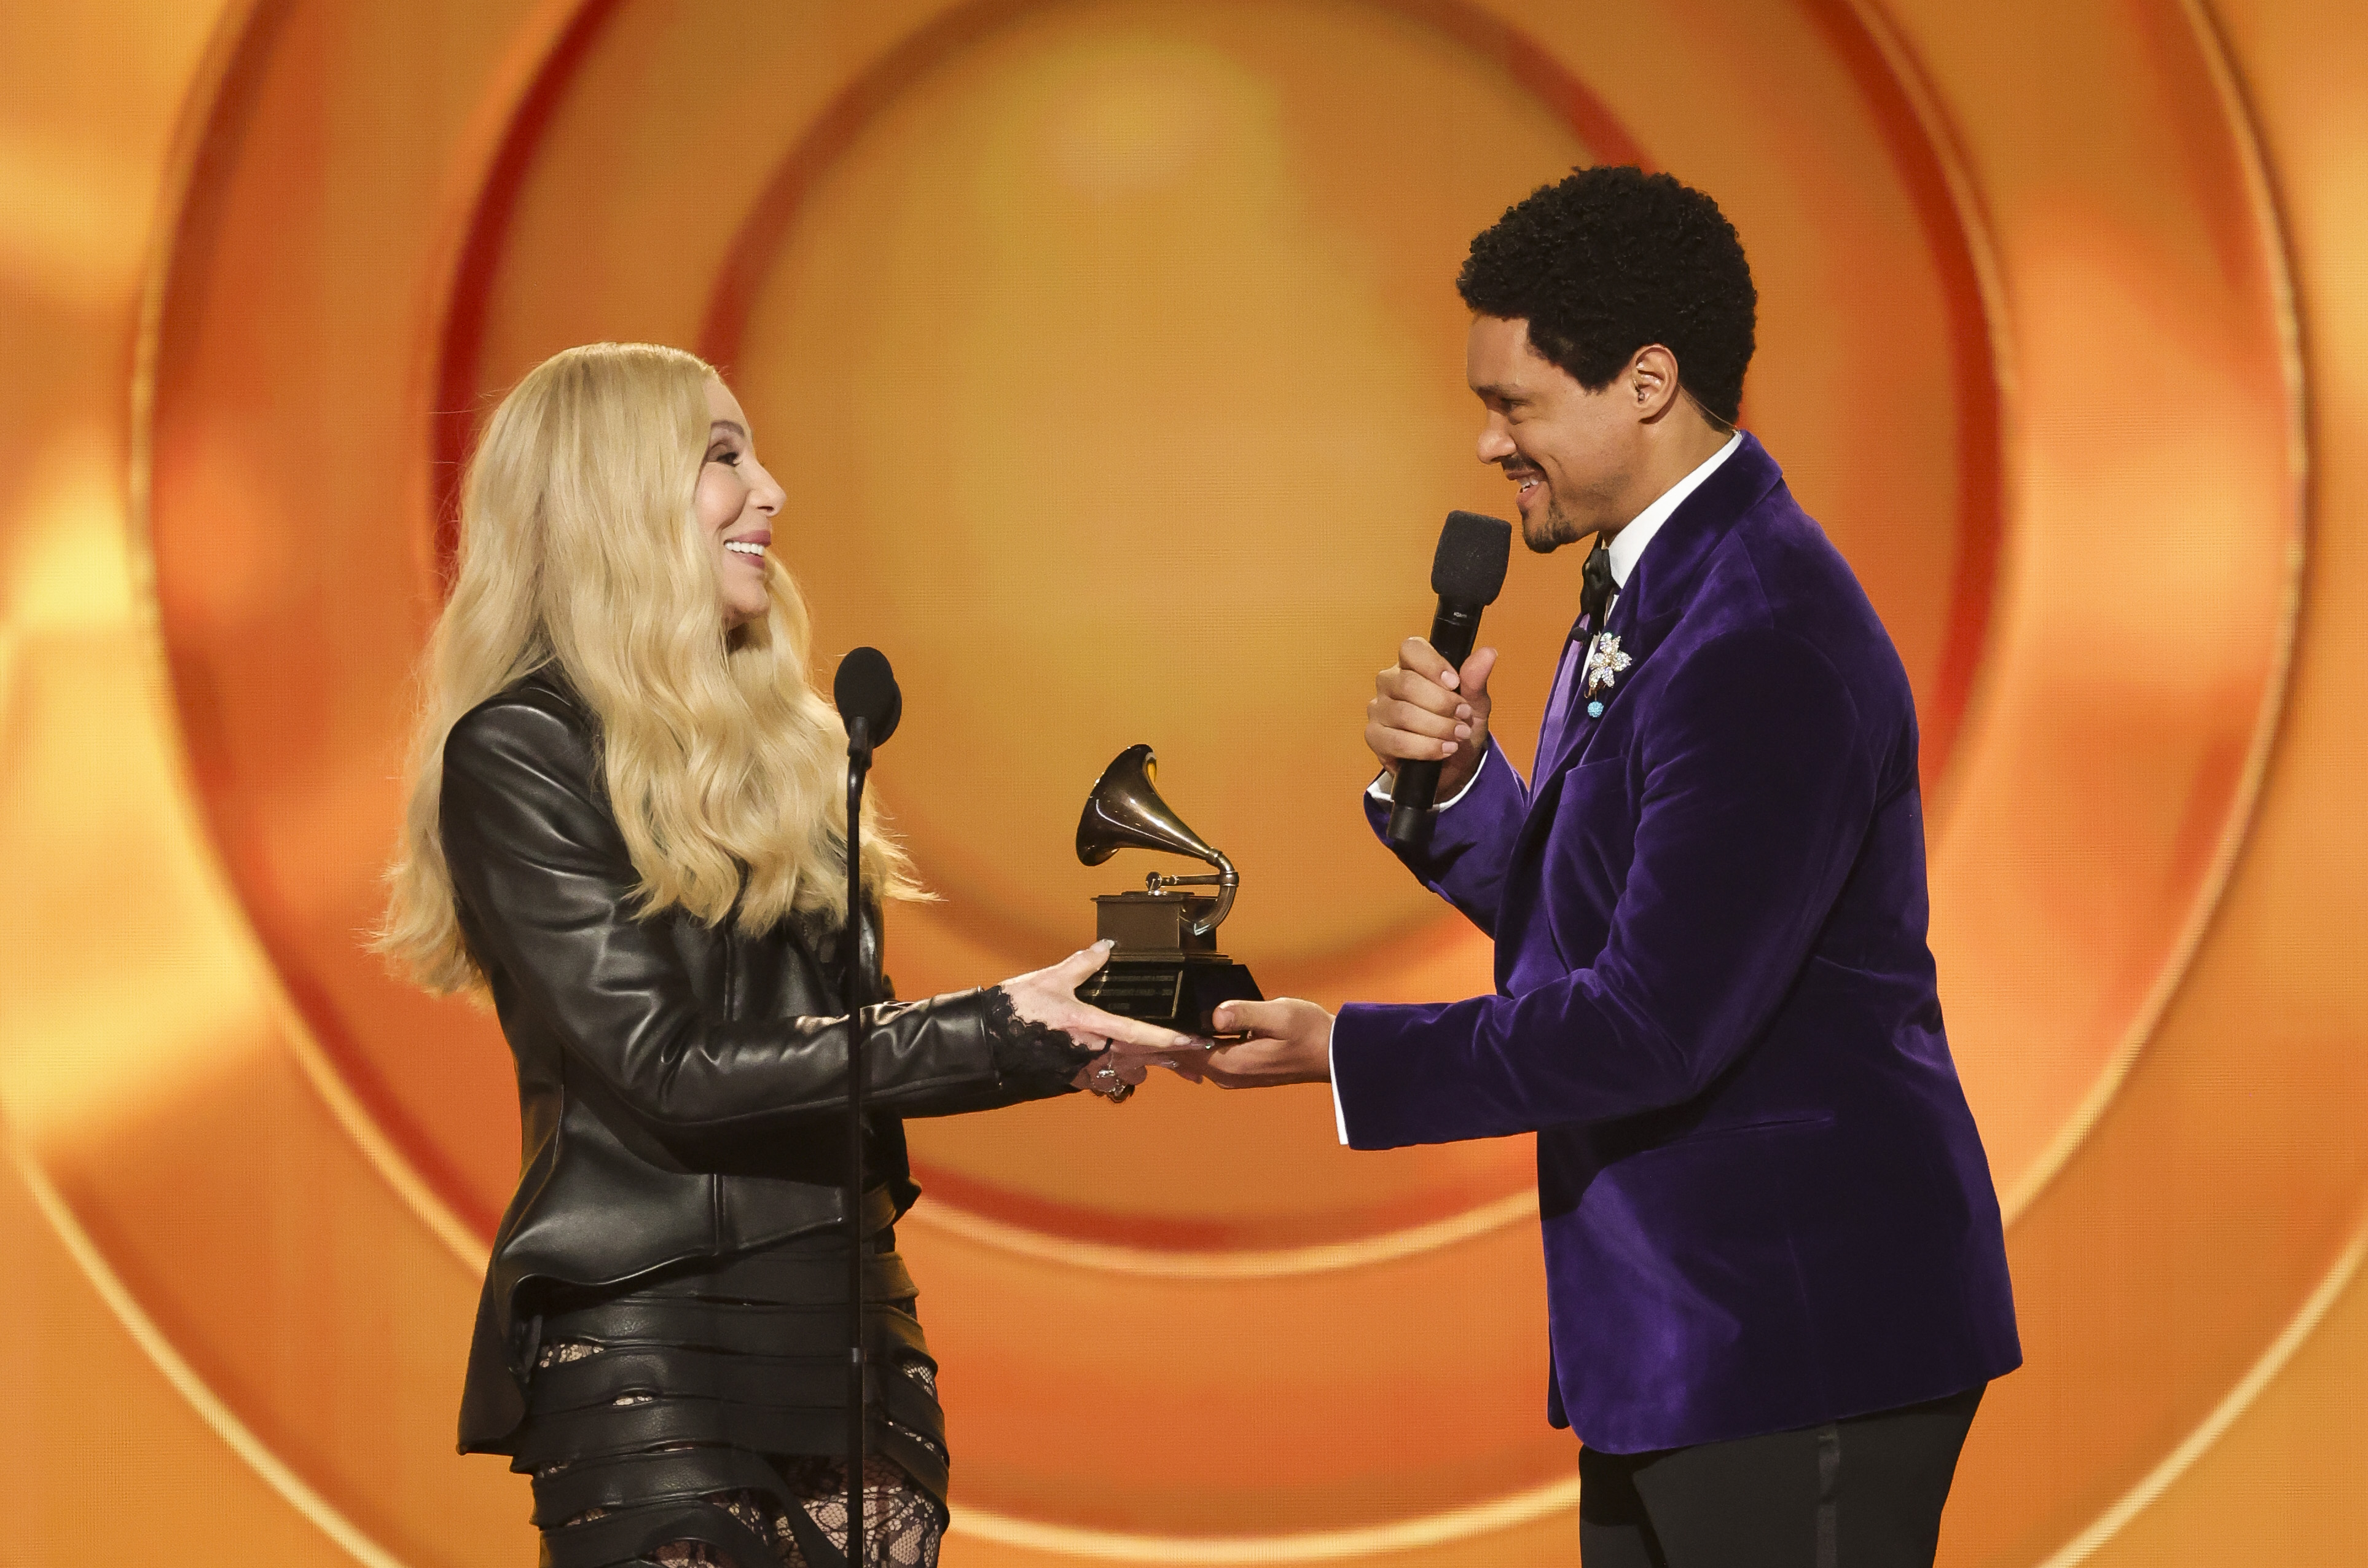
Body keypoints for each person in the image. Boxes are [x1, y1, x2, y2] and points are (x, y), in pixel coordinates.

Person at [1162, 168, 2021, 1565]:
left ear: (1644, 382)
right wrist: (1452, 792)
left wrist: (1347, 1054)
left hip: (1795, 1336)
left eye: (1513, 405)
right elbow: (1615, 917)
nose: (1487, 444)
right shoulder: (1662, 580)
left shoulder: (1760, 634)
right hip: (1681, 1341)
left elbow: (1651, 1019)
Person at [378, 342, 1195, 1568]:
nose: (771, 490)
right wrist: (1008, 1023)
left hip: (857, 1337)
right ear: (614, 496)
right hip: (657, 1349)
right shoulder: (519, 752)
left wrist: (1068, 1031)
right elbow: (669, 1067)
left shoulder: (798, 749)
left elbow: (842, 1055)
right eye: (723, 458)